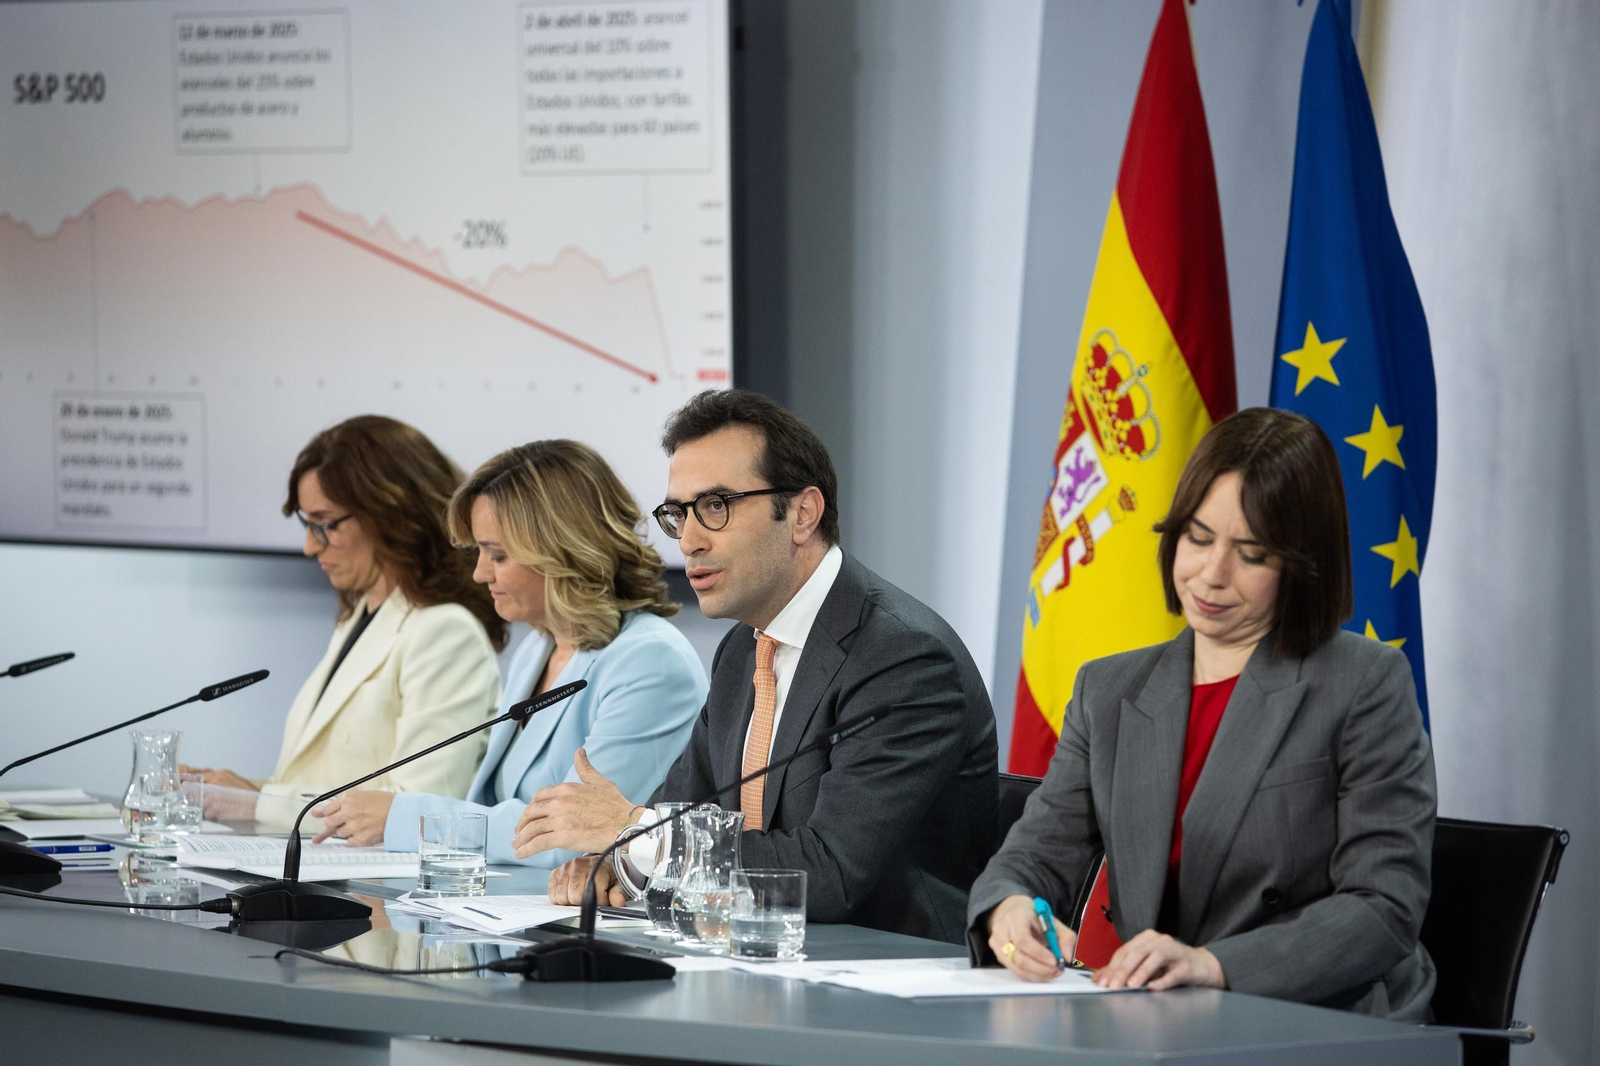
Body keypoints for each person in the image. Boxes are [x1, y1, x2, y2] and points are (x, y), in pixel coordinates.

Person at [969, 407, 1436, 1018]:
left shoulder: (1365, 683)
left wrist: (1213, 965)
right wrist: (1008, 909)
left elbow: (1384, 907)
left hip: (1319, 1017)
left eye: (1252, 554)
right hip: (1158, 1018)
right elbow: (1031, 858)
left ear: (1301, 564)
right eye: (1197, 538)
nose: (1212, 574)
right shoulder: (1107, 690)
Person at [521, 389, 999, 943]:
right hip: (753, 957)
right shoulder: (743, 650)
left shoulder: (903, 658)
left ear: (802, 514)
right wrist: (621, 865)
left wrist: (632, 831)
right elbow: (682, 815)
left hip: (889, 969)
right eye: (678, 514)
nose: (689, 541)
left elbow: (830, 874)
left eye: (715, 506)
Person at [309, 440, 707, 866]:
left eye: (497, 555)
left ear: (562, 550)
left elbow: (570, 834)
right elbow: (495, 804)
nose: (480, 574)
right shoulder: (538, 647)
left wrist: (405, 817)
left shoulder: (651, 662)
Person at [184, 415, 504, 806]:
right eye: (308, 523)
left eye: (326, 524)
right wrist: (226, 791)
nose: (309, 546)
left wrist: (257, 803)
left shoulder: (446, 633)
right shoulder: (360, 619)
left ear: (389, 512)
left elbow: (421, 804)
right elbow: (318, 780)